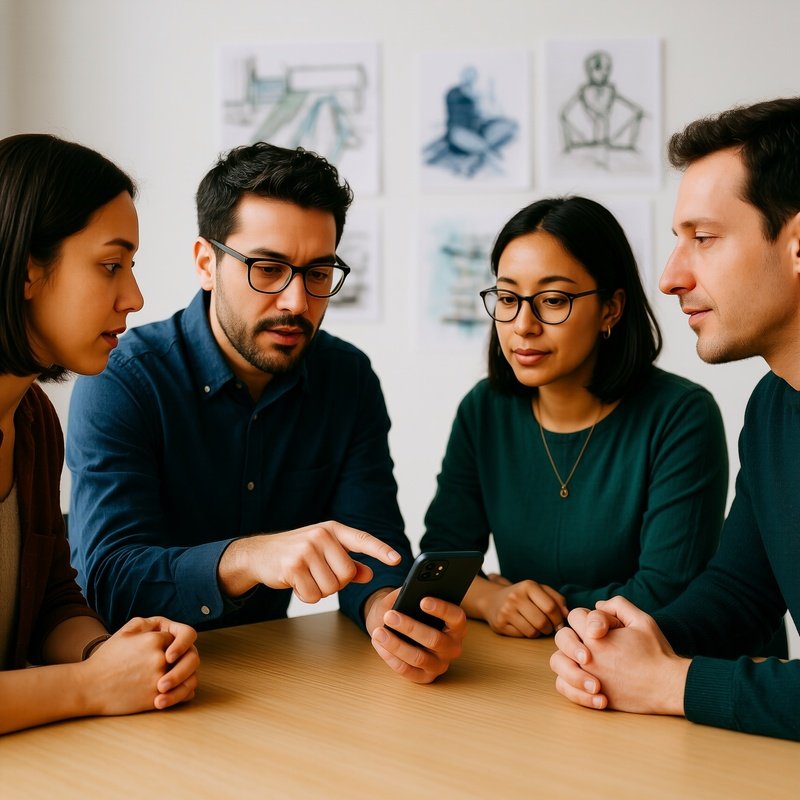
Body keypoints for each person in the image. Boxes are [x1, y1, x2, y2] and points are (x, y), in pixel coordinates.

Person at [67, 142, 466, 684]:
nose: (297, 302)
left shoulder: (347, 380)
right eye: (268, 269)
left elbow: (373, 547)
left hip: (273, 675)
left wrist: (390, 616)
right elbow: (110, 581)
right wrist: (249, 557)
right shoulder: (124, 378)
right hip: (140, 683)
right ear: (207, 264)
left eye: (319, 273)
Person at [550, 96, 800, 741]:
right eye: (677, 241)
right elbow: (743, 594)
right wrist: (627, 638)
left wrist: (671, 683)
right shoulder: (775, 405)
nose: (668, 278)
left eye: (705, 240)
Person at [420, 196, 728, 638]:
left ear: (611, 308)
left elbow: (664, 591)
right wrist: (491, 600)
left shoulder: (681, 415)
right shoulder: (483, 410)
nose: (523, 324)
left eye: (552, 300)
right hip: (541, 666)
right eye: (508, 298)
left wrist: (537, 609)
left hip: (661, 667)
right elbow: (440, 562)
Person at [0, 133, 199, 734]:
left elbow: (52, 601)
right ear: (27, 268)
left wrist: (113, 653)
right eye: (111, 265)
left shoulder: (32, 419)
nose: (134, 297)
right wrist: (90, 685)